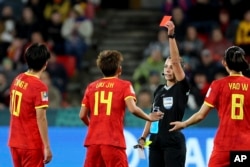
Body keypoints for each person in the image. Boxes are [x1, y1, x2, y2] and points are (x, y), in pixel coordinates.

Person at [79, 49, 164, 167]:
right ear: (119, 69)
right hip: (113, 141)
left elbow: (82, 115)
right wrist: (149, 117)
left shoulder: (91, 87)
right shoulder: (124, 86)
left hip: (93, 142)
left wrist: (93, 127)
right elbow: (133, 109)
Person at [169, 46, 250, 167]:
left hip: (224, 145)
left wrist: (184, 124)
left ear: (224, 62)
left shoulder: (218, 85)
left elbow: (201, 115)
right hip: (245, 146)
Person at [138, 21, 190, 167]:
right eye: (166, 66)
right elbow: (151, 116)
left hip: (173, 143)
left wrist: (171, 36)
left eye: (171, 67)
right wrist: (143, 137)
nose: (168, 69)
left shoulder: (181, 87)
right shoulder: (159, 89)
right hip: (154, 143)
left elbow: (175, 61)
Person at [8, 43, 52, 167]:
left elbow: (12, 109)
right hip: (31, 144)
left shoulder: (18, 79)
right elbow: (41, 118)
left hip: (15, 141)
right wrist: (47, 147)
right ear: (45, 64)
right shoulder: (40, 87)